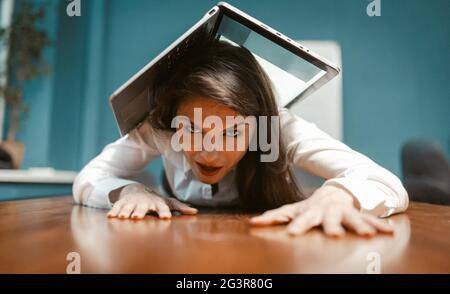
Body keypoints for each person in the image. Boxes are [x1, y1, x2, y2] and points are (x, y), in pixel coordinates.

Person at [73, 37, 408, 237]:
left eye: (233, 132)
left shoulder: (278, 128)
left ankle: (425, 170)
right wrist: (130, 190)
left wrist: (336, 196)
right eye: (193, 129)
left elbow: (384, 181)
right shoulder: (160, 129)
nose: (211, 152)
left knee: (427, 190)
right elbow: (89, 179)